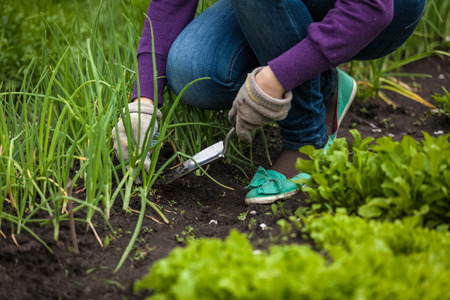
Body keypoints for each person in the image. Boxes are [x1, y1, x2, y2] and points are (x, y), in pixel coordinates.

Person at [113, 0, 426, 204]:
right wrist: (145, 99)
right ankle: (325, 85)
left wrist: (275, 78)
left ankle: (305, 141)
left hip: (385, 13)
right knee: (193, 69)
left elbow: (372, 9)